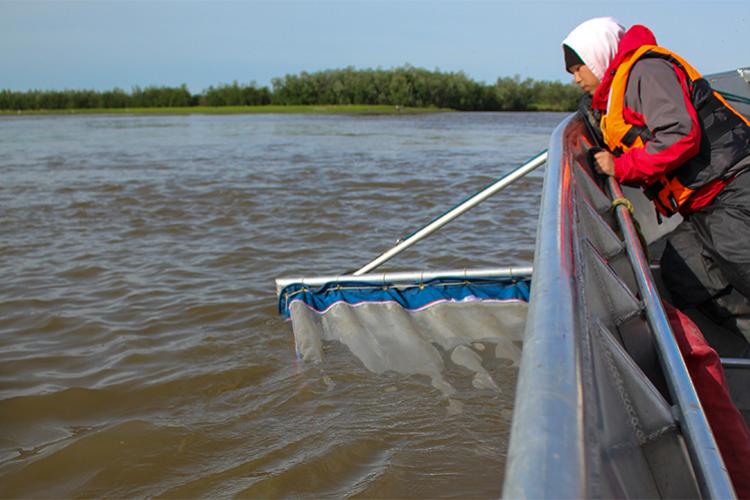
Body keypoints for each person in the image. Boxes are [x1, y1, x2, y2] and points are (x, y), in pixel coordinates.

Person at [562, 17, 750, 342]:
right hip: (702, 206)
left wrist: (620, 168)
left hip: (732, 186)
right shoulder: (616, 95)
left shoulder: (646, 72)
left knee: (739, 259)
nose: (576, 79)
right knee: (683, 275)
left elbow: (682, 135)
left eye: (579, 67)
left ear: (598, 57)